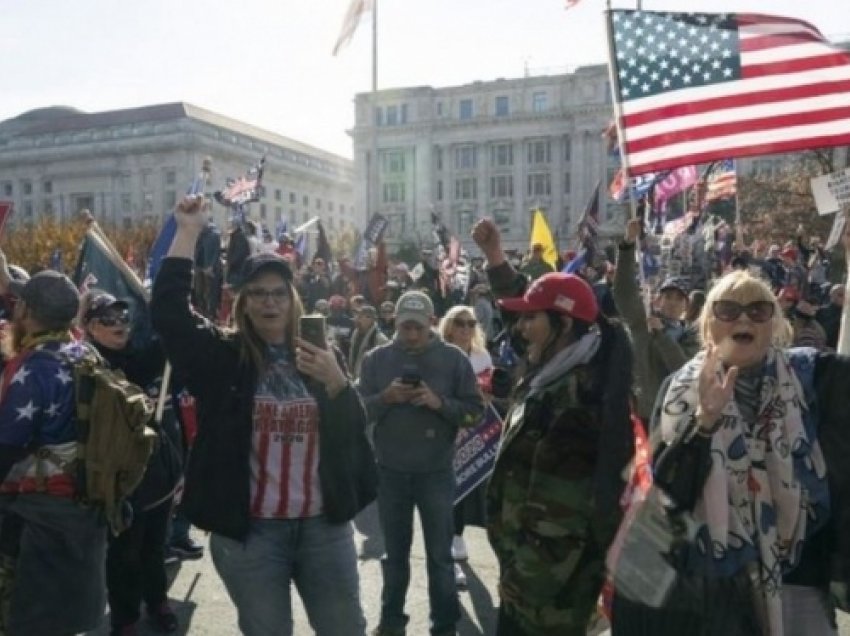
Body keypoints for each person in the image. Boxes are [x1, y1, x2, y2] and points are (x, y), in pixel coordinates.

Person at [150, 196, 377, 636]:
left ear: (292, 300)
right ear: (244, 302)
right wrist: (188, 231)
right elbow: (169, 315)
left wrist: (338, 385)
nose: (269, 303)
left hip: (323, 528)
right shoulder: (224, 357)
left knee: (345, 627)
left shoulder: (319, 354)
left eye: (278, 293)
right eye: (258, 294)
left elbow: (353, 435)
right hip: (252, 534)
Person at [610, 268, 850, 636]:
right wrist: (704, 424)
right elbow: (666, 493)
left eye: (757, 311)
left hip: (800, 579)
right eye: (727, 310)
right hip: (717, 590)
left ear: (774, 325)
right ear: (708, 327)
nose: (742, 318)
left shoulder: (817, 376)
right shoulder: (680, 392)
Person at [471, 218, 634, 636]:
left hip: (547, 591)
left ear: (562, 325)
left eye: (532, 320)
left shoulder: (574, 404)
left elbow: (559, 520)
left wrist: (522, 583)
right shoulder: (560, 361)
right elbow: (523, 317)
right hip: (532, 577)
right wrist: (495, 259)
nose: (521, 330)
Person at [358, 290, 484, 636]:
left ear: (431, 324)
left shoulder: (453, 359)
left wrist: (438, 402)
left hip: (436, 474)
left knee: (440, 558)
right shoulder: (376, 359)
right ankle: (391, 622)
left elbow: (476, 412)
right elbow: (356, 411)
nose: (410, 335)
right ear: (394, 323)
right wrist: (386, 397)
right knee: (394, 556)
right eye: (404, 327)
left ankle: (444, 626)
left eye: (417, 327)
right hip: (391, 472)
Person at [0, 257, 108, 635]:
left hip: (39, 516)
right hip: (85, 510)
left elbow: (5, 446)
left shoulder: (35, 368)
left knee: (31, 622)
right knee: (69, 619)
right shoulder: (85, 353)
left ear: (26, 311)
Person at [79, 290, 181, 636]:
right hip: (120, 479)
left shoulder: (140, 356)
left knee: (155, 547)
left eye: (123, 317)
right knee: (124, 553)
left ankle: (158, 602)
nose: (119, 324)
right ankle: (125, 619)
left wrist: (170, 307)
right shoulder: (89, 368)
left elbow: (167, 343)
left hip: (158, 474)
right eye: (108, 319)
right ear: (90, 327)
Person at [614, 217, 699, 422]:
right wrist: (627, 246)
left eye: (679, 299)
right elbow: (624, 294)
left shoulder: (691, 336)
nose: (672, 303)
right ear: (658, 300)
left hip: (673, 418)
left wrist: (661, 336)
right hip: (640, 415)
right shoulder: (642, 324)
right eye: (668, 296)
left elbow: (682, 369)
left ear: (686, 306)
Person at [436, 305, 494, 589]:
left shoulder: (482, 356)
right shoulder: (438, 354)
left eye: (471, 323)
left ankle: (457, 538)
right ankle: (447, 550)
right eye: (460, 323)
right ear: (448, 326)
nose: (466, 329)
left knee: (469, 485)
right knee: (447, 488)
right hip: (445, 429)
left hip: (476, 431)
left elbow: (489, 393)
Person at [349, 305, 389, 381]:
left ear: (370, 319)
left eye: (360, 317)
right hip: (354, 380)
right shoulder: (355, 334)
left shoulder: (381, 340)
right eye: (357, 316)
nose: (357, 319)